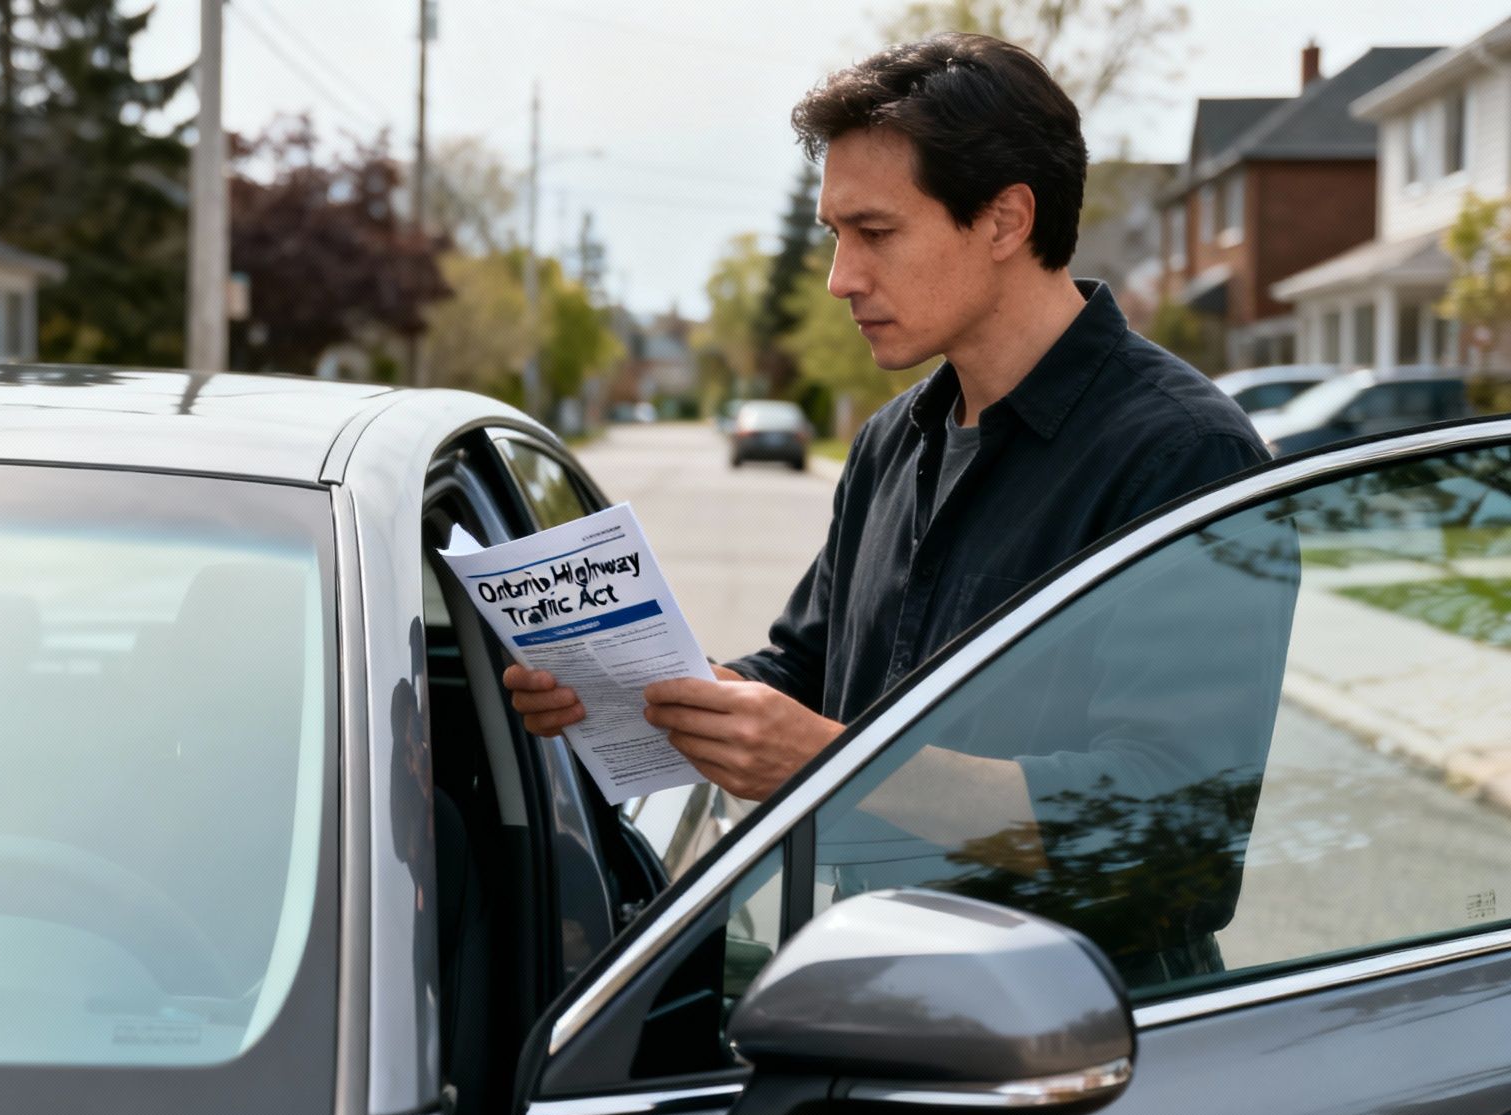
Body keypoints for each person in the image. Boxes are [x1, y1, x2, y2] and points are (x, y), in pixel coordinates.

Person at [504, 35, 1274, 839]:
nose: (841, 277)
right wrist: (656, 697)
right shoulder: (890, 442)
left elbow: (1175, 824)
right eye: (836, 234)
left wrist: (836, 769)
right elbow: (808, 677)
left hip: (1073, 969)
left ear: (1006, 219)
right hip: (863, 957)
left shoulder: (1184, 455)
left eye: (875, 232)